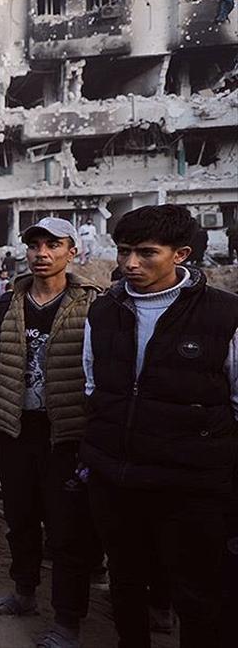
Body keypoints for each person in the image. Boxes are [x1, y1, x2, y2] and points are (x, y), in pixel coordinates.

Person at [80, 204, 238, 648]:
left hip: (190, 488)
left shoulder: (223, 315)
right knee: (126, 586)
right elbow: (94, 387)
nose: (131, 264)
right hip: (118, 481)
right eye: (125, 251)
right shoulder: (104, 312)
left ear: (181, 254)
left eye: (147, 253)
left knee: (197, 594)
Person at [0, 217, 103, 647]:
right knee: (21, 519)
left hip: (66, 434)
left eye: (53, 245)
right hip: (15, 428)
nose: (42, 253)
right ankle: (24, 593)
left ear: (72, 252)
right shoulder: (10, 303)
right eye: (35, 245)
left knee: (67, 530)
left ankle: (67, 620)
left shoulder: (92, 305)